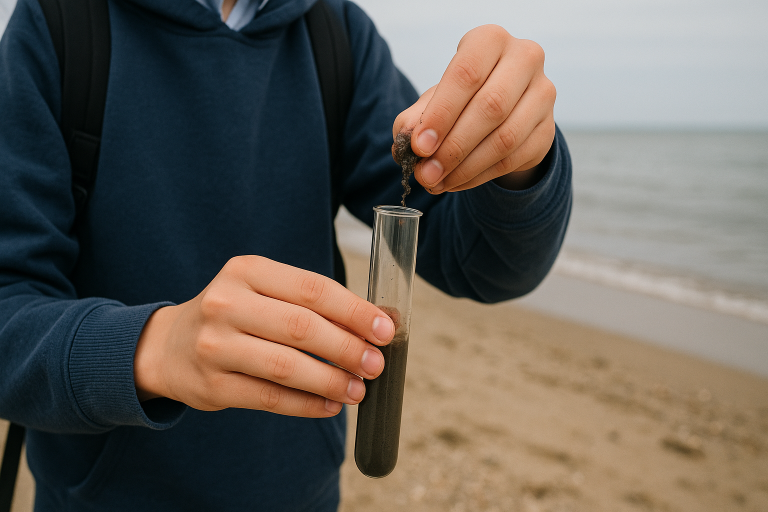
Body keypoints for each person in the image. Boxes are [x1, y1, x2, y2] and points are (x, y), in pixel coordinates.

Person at [0, 0, 572, 509]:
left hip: (306, 493)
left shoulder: (335, 33)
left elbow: (482, 261)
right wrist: (153, 346)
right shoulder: (58, 23)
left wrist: (517, 163)